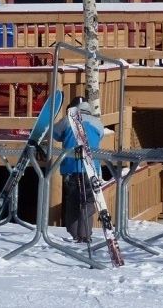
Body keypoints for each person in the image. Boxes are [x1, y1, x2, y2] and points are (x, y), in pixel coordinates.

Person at [51, 97, 103, 243]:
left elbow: (55, 133)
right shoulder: (96, 122)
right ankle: (85, 235)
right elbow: (101, 136)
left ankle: (74, 233)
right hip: (91, 168)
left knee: (73, 200)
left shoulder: (67, 120)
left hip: (71, 167)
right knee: (88, 201)